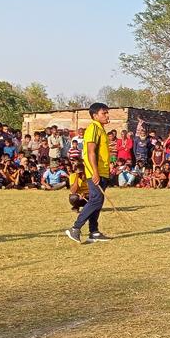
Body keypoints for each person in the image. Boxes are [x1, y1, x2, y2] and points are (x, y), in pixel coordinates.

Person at [65, 103, 113, 244]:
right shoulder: (93, 128)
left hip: (103, 171)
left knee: (98, 202)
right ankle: (75, 228)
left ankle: (94, 232)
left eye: (107, 113)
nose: (107, 115)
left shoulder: (101, 129)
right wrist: (95, 172)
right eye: (104, 113)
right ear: (95, 115)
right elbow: (90, 152)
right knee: (95, 200)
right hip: (95, 172)